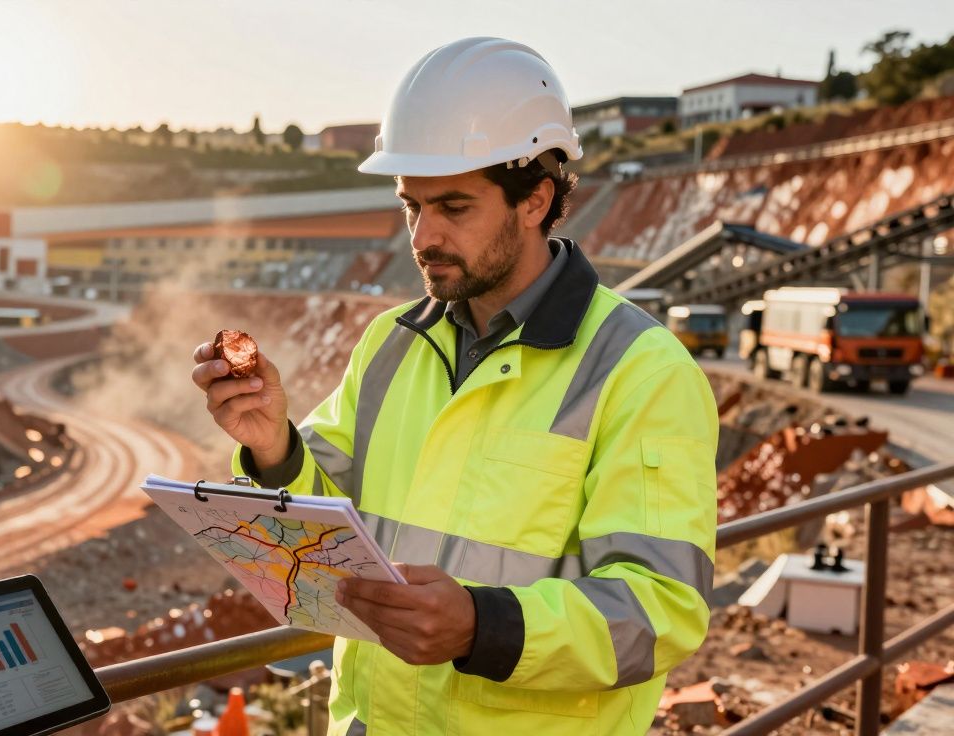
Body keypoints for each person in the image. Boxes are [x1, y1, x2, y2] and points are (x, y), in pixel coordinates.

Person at [190, 37, 717, 735]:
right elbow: (326, 536)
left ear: (535, 200)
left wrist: (480, 625)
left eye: (454, 208)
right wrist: (272, 447)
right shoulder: (390, 344)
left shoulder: (641, 372)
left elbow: (660, 614)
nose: (422, 237)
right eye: (412, 206)